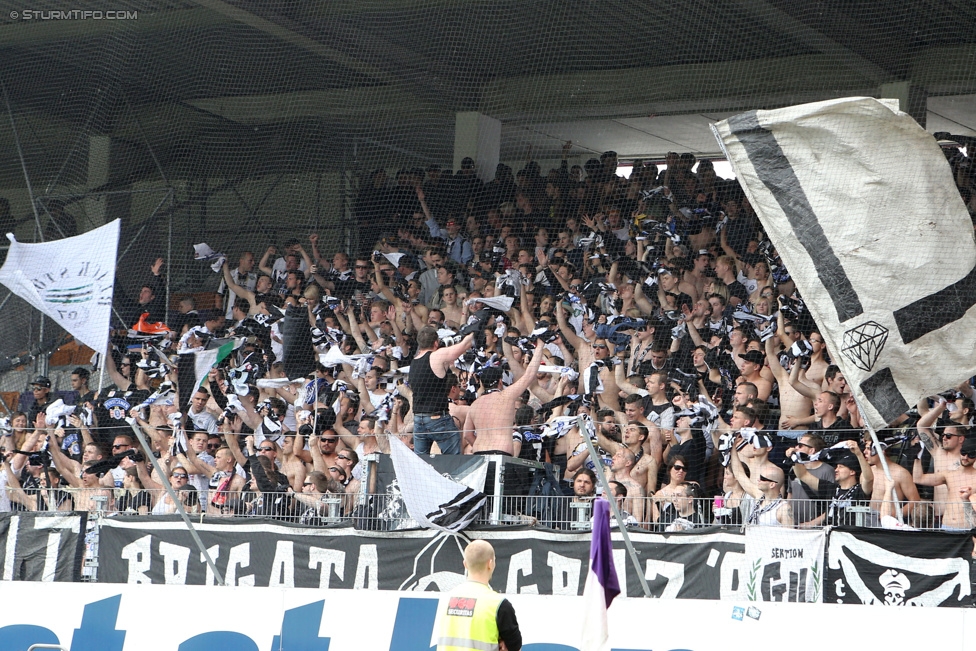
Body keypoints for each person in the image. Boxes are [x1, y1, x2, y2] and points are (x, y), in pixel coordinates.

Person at [436, 540, 521, 651]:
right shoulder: (499, 604)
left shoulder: (445, 599)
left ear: (465, 564)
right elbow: (515, 647)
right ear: (490, 564)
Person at [410, 326, 475, 455]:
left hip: (418, 419)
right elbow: (463, 346)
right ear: (435, 343)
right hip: (437, 418)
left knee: (419, 462)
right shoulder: (435, 356)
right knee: (453, 460)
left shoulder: (414, 361)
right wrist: (474, 331)